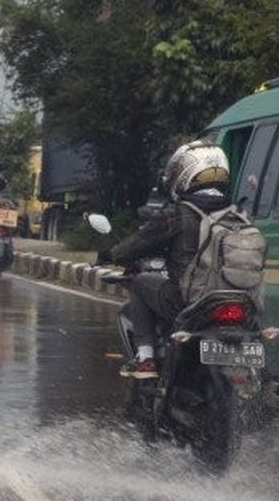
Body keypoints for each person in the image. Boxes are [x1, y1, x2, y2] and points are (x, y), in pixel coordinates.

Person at [96, 140, 234, 379]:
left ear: (186, 173)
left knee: (139, 283)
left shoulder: (179, 214)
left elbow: (139, 242)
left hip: (190, 301)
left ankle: (146, 358)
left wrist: (110, 254)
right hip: (237, 299)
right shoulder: (238, 214)